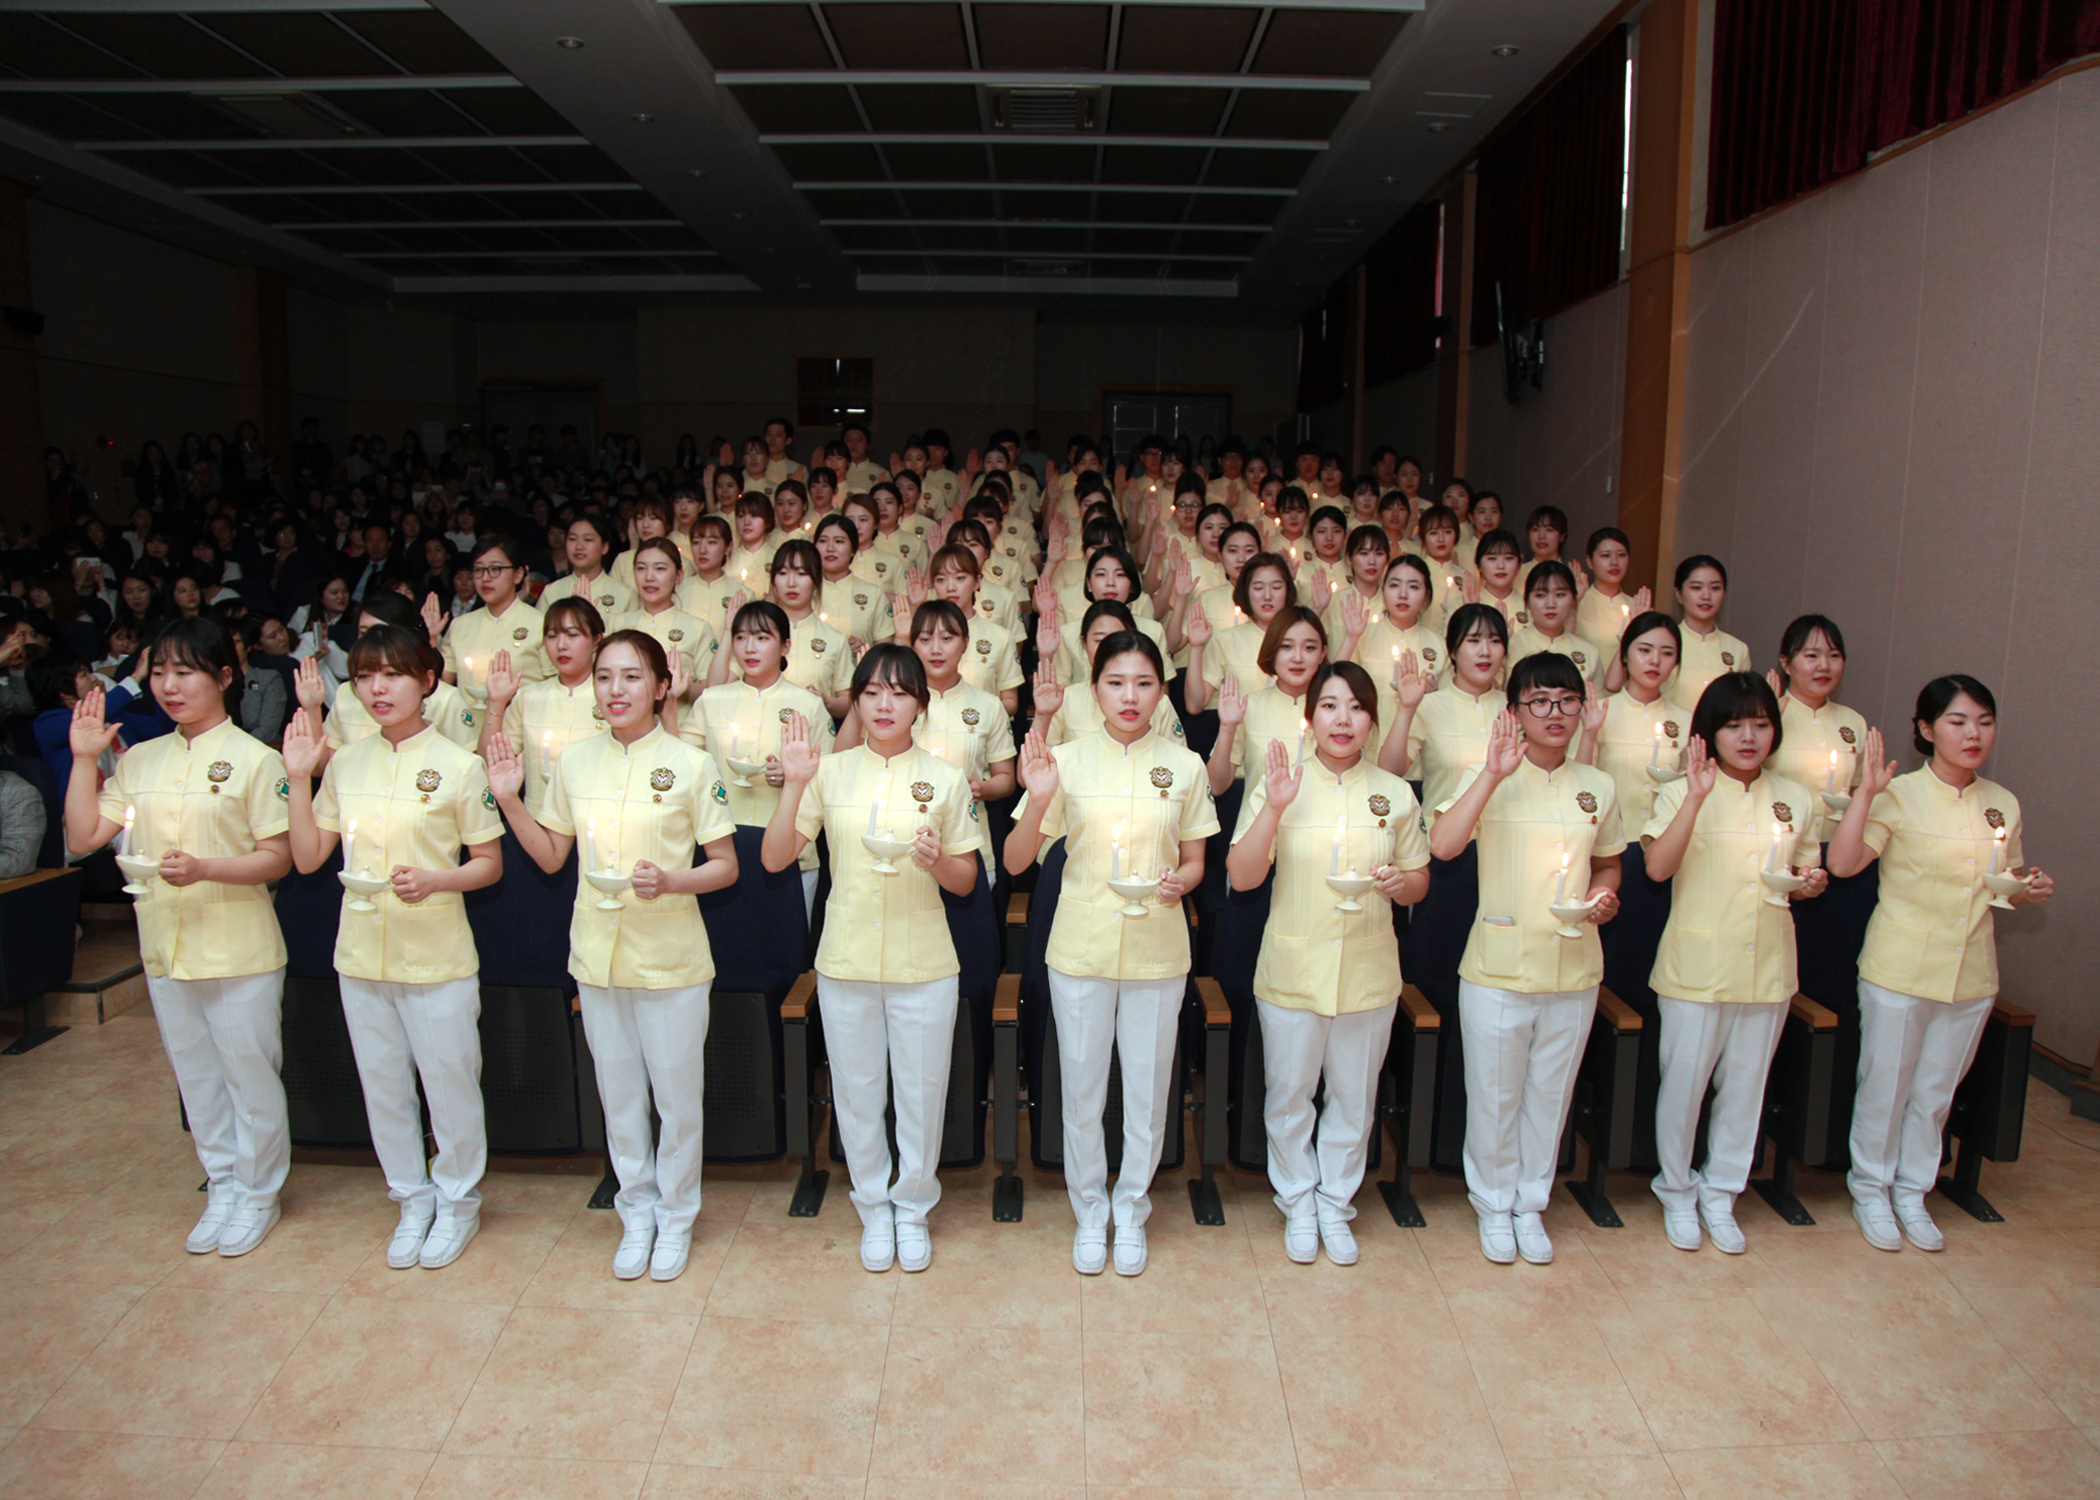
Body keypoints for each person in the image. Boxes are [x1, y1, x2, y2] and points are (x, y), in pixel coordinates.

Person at [487, 630, 739, 1281]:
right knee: (619, 1096)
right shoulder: (574, 761)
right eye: (604, 677)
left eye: (631, 676)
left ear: (661, 687)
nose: (615, 689)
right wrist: (509, 799)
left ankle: (676, 1216)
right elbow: (551, 857)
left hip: (671, 959)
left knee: (677, 1102)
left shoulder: (690, 764)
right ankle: (637, 1212)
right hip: (597, 956)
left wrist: (672, 880)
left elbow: (725, 866)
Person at [63, 617, 294, 1258]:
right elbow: (83, 836)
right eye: (160, 672)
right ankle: (222, 1184)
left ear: (223, 677)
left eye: (185, 671)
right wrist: (83, 760)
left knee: (249, 1078)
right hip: (165, 943)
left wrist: (203, 869)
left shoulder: (257, 759)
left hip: (237, 945)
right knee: (196, 1077)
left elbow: (277, 858)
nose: (169, 685)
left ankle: (259, 1193)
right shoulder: (140, 758)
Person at [281, 624, 504, 1270]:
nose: (378, 688)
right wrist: (297, 779)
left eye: (393, 674)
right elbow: (307, 858)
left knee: (450, 1086)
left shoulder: (460, 766)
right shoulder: (346, 762)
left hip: (436, 954)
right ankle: (410, 1198)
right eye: (364, 676)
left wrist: (437, 879)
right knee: (383, 1088)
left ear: (428, 681)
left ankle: (457, 1202)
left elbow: (488, 865)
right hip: (361, 953)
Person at [761, 645, 980, 1275]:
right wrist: (794, 783)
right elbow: (775, 859)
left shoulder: (945, 779)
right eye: (872, 692)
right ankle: (873, 1207)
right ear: (855, 700)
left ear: (921, 704)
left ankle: (912, 1207)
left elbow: (966, 880)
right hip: (846, 959)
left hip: (924, 963)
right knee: (857, 1094)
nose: (885, 705)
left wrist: (938, 859)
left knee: (921, 1093)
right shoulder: (828, 773)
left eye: (900, 692)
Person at [1004, 632, 1217, 1277]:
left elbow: (1196, 858)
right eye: (1116, 682)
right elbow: (1014, 861)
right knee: (1082, 1088)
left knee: (1148, 1093)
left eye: (1144, 683)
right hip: (1081, 947)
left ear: (1162, 691)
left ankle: (1132, 1208)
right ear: (1092, 689)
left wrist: (1183, 881)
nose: (1130, 696)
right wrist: (1038, 798)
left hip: (1157, 949)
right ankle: (1090, 1209)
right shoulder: (1064, 761)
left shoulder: (1185, 765)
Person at [1826, 677, 2054, 1253]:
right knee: (1886, 1088)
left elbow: (2006, 878)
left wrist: (2029, 887)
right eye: (1958, 721)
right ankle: (1871, 1190)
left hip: (1971, 971)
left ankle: (1912, 1191)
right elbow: (1845, 864)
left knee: (1934, 1095)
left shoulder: (2003, 802)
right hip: (1900, 967)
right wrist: (1865, 793)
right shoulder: (1899, 794)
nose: (1974, 733)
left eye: (1984, 721)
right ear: (1927, 730)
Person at [1225, 662, 1429, 1265]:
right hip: (1294, 968)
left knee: (1354, 1097)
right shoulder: (1281, 783)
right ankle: (1297, 1200)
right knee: (1290, 1095)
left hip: (1369, 971)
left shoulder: (1394, 793)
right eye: (1331, 706)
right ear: (1310, 716)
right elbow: (1242, 876)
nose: (1344, 719)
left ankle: (1336, 1202)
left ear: (1372, 720)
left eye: (1358, 707)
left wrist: (1403, 884)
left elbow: (1419, 877)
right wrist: (1274, 808)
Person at [1428, 654, 1623, 1266]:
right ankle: (1492, 1204)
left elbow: (1609, 862)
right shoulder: (1488, 773)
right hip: (1499, 966)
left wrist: (1604, 896)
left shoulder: (1597, 785)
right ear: (1514, 712)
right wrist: (1491, 774)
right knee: (1495, 1095)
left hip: (1574, 965)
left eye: (1566, 700)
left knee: (1551, 1094)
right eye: (1539, 701)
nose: (1554, 713)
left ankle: (1530, 1203)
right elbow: (1443, 845)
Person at [1640, 672, 1825, 1252]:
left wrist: (1810, 883)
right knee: (1685, 1088)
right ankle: (1676, 1190)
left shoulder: (1797, 798)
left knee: (1746, 1089)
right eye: (1734, 725)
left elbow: (1803, 872)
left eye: (1761, 724)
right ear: (1709, 732)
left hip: (1768, 964)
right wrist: (1695, 797)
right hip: (1697, 965)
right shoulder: (1680, 790)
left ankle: (1721, 1192)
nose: (1749, 737)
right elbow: (1657, 869)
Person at [687, 600, 831, 916]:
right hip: (719, 845)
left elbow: (829, 777)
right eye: (740, 637)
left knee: (785, 941)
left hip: (790, 851)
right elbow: (682, 762)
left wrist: (793, 777)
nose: (749, 648)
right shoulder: (712, 699)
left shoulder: (808, 705)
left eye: (762, 638)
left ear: (785, 646)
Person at [484, 597, 610, 808]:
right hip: (537, 817)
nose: (561, 645)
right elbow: (491, 761)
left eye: (572, 635)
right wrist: (496, 703)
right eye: (552, 636)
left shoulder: (614, 695)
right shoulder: (528, 696)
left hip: (599, 814)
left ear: (596, 640)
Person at [442, 538, 546, 727]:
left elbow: (555, 686)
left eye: (495, 569)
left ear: (518, 575)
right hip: (468, 732)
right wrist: (432, 639)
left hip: (521, 731)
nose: (485, 578)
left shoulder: (541, 623)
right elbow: (442, 686)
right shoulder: (459, 625)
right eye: (479, 570)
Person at [540, 513, 636, 618]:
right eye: (572, 539)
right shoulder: (551, 591)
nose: (579, 546)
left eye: (588, 539)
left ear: (604, 547)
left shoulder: (625, 593)